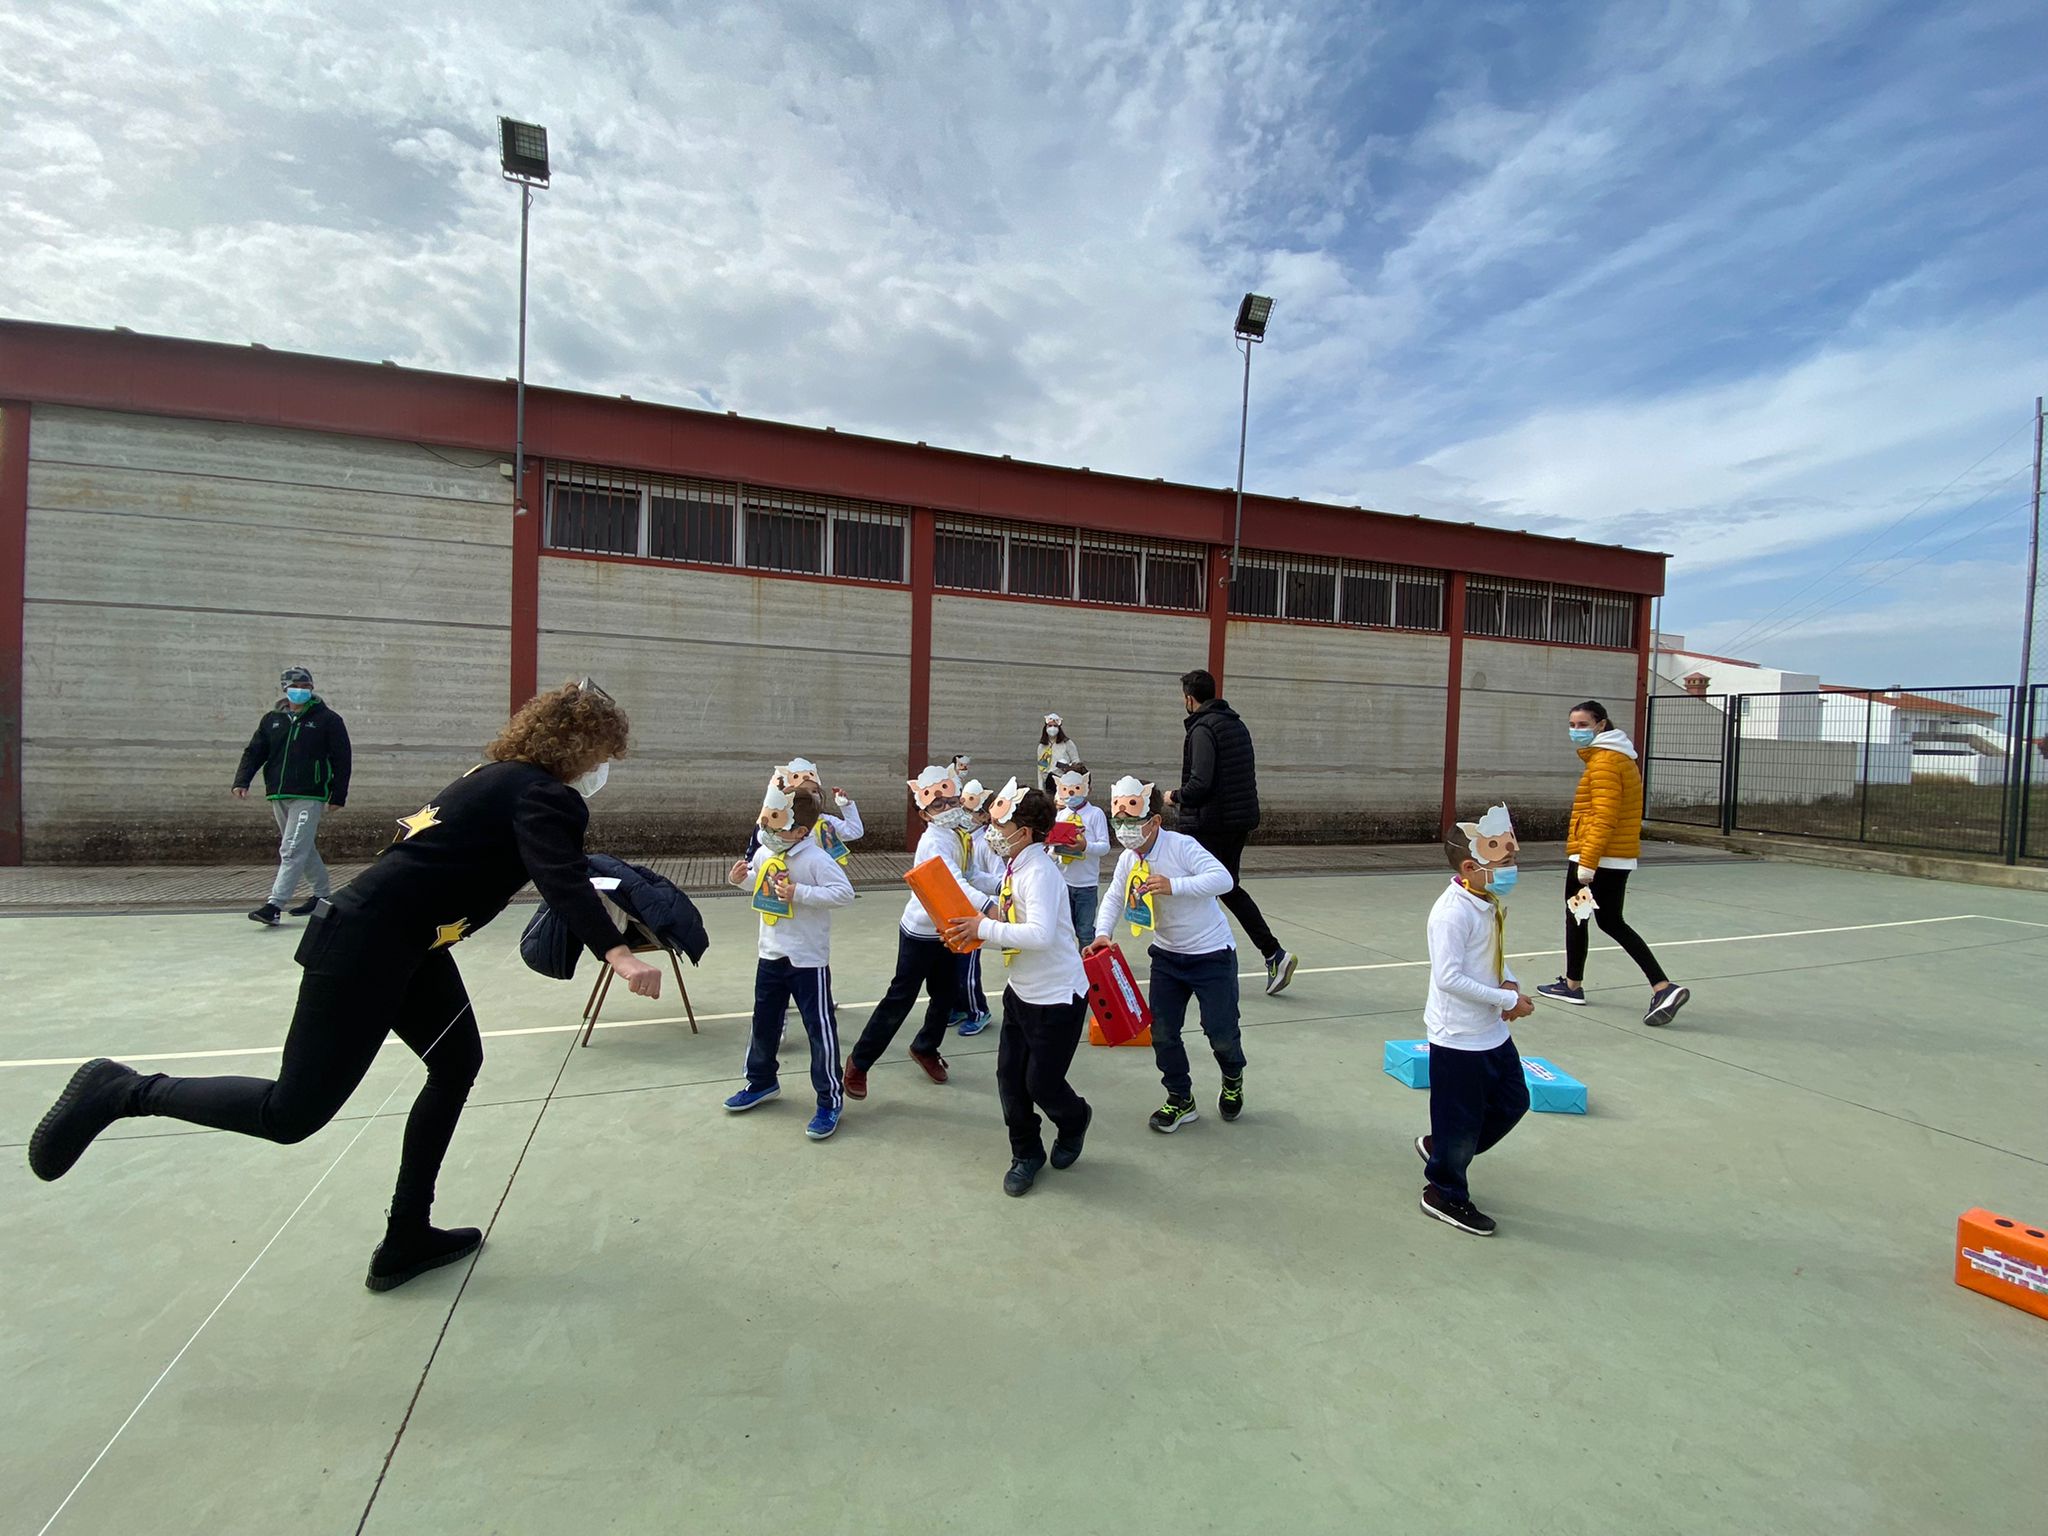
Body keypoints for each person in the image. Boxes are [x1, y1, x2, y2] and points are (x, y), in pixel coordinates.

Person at [29, 679, 663, 1292]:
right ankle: (125, 1090)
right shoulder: (545, 795)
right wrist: (617, 952)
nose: (603, 769)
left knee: (456, 1062)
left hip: (404, 943)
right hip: (368, 948)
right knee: (290, 1114)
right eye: (604, 755)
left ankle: (407, 1235)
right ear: (578, 747)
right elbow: (562, 875)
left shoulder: (492, 778)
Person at [942, 781, 1092, 1197]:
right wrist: (969, 929)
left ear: (1023, 832)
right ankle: (1026, 1154)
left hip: (1058, 998)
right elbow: (1005, 910)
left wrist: (981, 928)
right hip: (1021, 993)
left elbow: (1040, 934)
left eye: (997, 825)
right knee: (1010, 1080)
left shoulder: (1040, 872)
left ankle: (1076, 1118)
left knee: (1041, 1084)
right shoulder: (1018, 863)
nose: (990, 832)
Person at [1087, 776, 1245, 1133]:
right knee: (1162, 1032)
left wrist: (1175, 885)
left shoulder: (1182, 846)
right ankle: (1180, 1098)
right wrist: (1101, 934)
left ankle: (1232, 1075)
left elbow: (1223, 880)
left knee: (1219, 1030)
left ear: (1154, 820)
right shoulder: (1130, 859)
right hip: (1168, 957)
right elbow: (1114, 896)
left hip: (1211, 953)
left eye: (1132, 820)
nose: (1125, 829)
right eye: (1119, 821)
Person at [1536, 700, 1691, 1027]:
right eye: (1573, 725)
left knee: (1588, 918)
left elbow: (1604, 817)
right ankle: (1577, 984)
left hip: (1596, 858)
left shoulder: (1605, 762)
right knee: (1596, 919)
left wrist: (1587, 864)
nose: (1576, 731)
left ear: (1601, 725)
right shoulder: (1617, 757)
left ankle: (1657, 986)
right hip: (1614, 857)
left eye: (1583, 725)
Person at [1418, 804, 1535, 1236]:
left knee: (1513, 1101)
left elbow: (1492, 959)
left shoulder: (1486, 899)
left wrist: (1510, 987)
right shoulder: (1452, 913)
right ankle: (1444, 1192)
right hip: (1459, 1037)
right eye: (1505, 863)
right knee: (1461, 1121)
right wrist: (1500, 999)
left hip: (1491, 1031)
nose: (1513, 869)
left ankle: (1443, 1148)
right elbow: (1448, 978)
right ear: (1470, 866)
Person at [724, 777, 856, 1140]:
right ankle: (761, 1080)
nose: (764, 832)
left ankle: (829, 1098)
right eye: (764, 824)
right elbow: (760, 882)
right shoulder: (768, 852)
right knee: (764, 1020)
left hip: (807, 958)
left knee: (819, 1028)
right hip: (771, 951)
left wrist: (801, 892)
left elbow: (844, 893)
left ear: (799, 831)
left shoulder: (816, 859)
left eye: (773, 826)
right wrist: (741, 879)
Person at [1162, 669, 1298, 996]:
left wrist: (1174, 797)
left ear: (1189, 699)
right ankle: (1271, 953)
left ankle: (1266, 953)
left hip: (1213, 823)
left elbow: (1201, 783)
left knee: (1200, 885)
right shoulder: (1235, 723)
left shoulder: (1203, 729)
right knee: (1226, 887)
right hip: (1235, 821)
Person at [843, 765, 978, 1097]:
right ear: (924, 812)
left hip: (949, 929)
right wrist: (994, 906)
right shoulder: (933, 842)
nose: (947, 808)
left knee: (945, 995)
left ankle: (926, 1047)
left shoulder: (958, 836)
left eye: (951, 801)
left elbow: (972, 876)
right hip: (921, 931)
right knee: (900, 998)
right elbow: (956, 885)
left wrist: (1007, 885)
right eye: (938, 805)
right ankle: (859, 1063)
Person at [233, 665, 352, 928]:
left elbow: (342, 759)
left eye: (306, 687)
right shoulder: (271, 720)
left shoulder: (328, 720)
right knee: (303, 847)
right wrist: (242, 780)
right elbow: (254, 752)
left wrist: (338, 794)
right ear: (285, 689)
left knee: (292, 849)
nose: (301, 691)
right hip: (278, 792)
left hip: (310, 795)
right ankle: (322, 897)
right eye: (296, 686)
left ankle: (274, 905)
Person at [948, 778, 1004, 1037]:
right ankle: (959, 1007)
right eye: (964, 809)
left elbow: (996, 877)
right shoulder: (961, 837)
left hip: (975, 913)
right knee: (951, 964)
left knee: (967, 967)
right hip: (955, 909)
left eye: (972, 812)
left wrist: (991, 903)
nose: (966, 816)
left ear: (984, 817)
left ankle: (978, 1011)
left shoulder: (986, 843)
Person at [739, 758, 863, 867]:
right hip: (784, 878)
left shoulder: (825, 822)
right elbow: (759, 846)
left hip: (818, 878)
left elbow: (854, 831)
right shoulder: (776, 823)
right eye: (803, 792)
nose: (812, 796)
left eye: (814, 791)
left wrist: (846, 805)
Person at [1051, 765, 1110, 943]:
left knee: (1084, 931)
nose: (1071, 794)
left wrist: (1085, 846)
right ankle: (1071, 966)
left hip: (1086, 884)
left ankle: (1087, 966)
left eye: (1075, 789)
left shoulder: (1095, 814)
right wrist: (1052, 846)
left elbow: (1104, 846)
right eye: (1066, 790)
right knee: (1065, 929)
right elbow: (1052, 848)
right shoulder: (1061, 815)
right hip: (1064, 881)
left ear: (1087, 788)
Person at [1036, 713, 1081, 792]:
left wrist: (1068, 767)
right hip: (1048, 782)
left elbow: (1076, 762)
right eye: (1050, 726)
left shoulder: (1067, 743)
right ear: (1045, 728)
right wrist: (1041, 788)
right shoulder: (1041, 746)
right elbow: (1040, 769)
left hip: (1064, 781)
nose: (1052, 728)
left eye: (1055, 726)